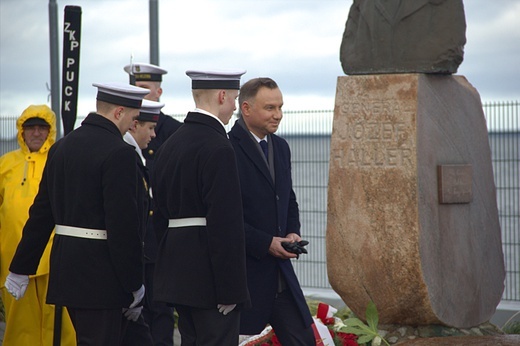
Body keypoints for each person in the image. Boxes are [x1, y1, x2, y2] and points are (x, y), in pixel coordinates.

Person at [4, 82, 150, 346]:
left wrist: (21, 267)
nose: (133, 124)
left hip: (67, 272)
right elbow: (122, 226)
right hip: (104, 277)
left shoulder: (61, 148)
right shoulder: (119, 153)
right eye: (133, 117)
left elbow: (41, 214)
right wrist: (134, 283)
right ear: (118, 112)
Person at [151, 69, 249, 345]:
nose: (234, 106)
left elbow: (159, 217)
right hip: (211, 280)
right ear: (221, 96)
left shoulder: (170, 144)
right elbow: (225, 224)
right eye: (234, 98)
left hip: (178, 274)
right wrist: (231, 290)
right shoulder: (219, 146)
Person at [229, 77, 315, 345]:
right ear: (246, 108)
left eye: (280, 107)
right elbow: (226, 217)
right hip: (246, 277)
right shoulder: (227, 149)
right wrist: (265, 243)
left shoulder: (280, 147)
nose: (278, 115)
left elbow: (288, 198)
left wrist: (292, 232)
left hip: (282, 275)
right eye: (269, 108)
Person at [0, 105, 76, 345]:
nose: (35, 133)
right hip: (13, 258)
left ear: (50, 131)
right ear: (20, 131)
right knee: (19, 321)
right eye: (29, 128)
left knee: (61, 322)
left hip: (54, 259)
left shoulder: (60, 160)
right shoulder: (5, 165)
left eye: (41, 128)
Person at [124, 62, 180, 345]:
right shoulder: (120, 129)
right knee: (129, 312)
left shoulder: (173, 131)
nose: (141, 96)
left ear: (159, 91)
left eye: (146, 90)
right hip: (131, 236)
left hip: (161, 237)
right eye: (135, 90)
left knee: (160, 310)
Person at [121, 99, 163, 346]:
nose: (154, 134)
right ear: (134, 125)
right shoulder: (125, 156)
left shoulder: (135, 155)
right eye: (149, 128)